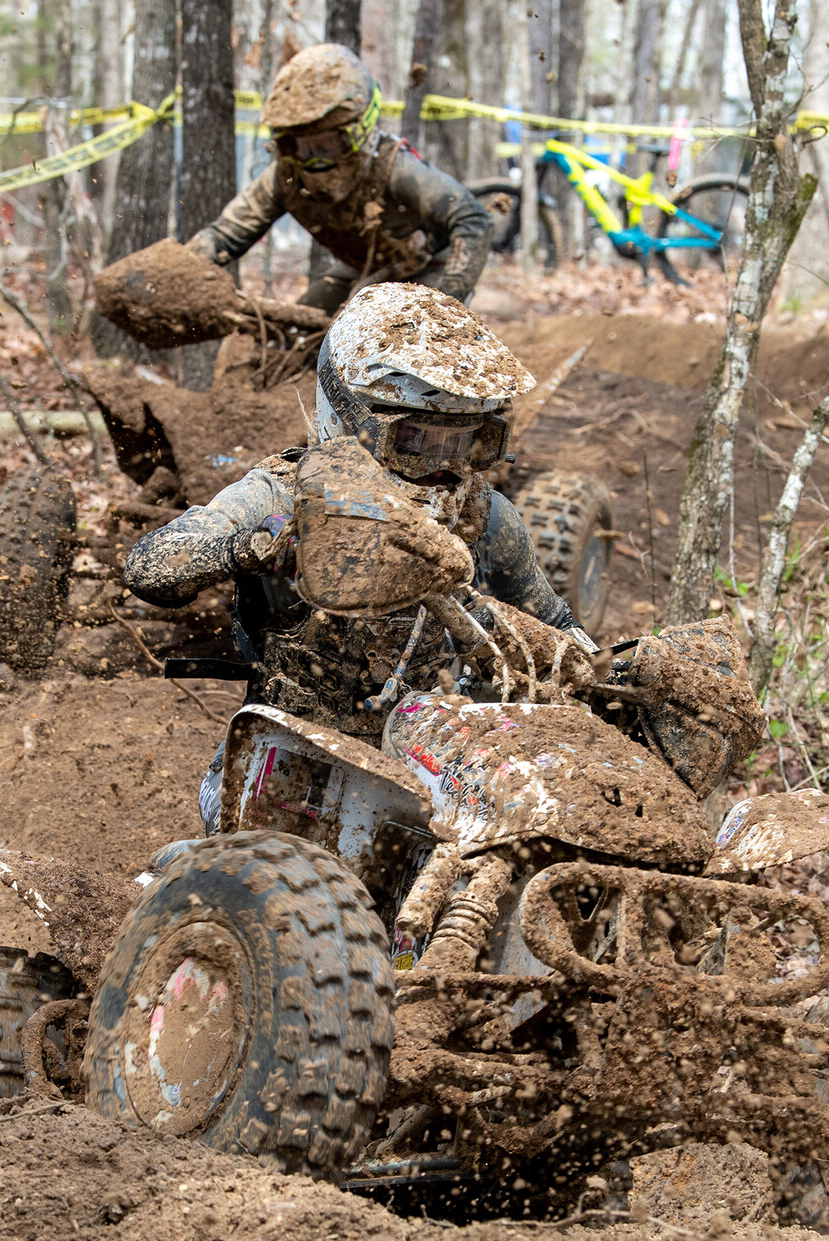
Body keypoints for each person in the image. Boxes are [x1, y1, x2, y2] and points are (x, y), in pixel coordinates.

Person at [123, 282, 592, 830]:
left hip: (430, 756)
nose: (442, 466)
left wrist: (605, 670)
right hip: (294, 750)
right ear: (352, 416)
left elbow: (553, 621)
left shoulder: (483, 514)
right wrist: (257, 548)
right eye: (417, 441)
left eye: (464, 442)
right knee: (249, 875)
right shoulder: (285, 493)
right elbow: (150, 565)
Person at [188, 44, 493, 314]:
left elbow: (472, 219)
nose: (313, 159)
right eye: (300, 145)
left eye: (326, 144)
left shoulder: (396, 167)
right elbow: (225, 236)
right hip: (361, 270)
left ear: (357, 132)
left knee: (399, 350)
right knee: (293, 339)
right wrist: (177, 272)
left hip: (426, 267)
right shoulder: (285, 178)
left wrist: (447, 303)